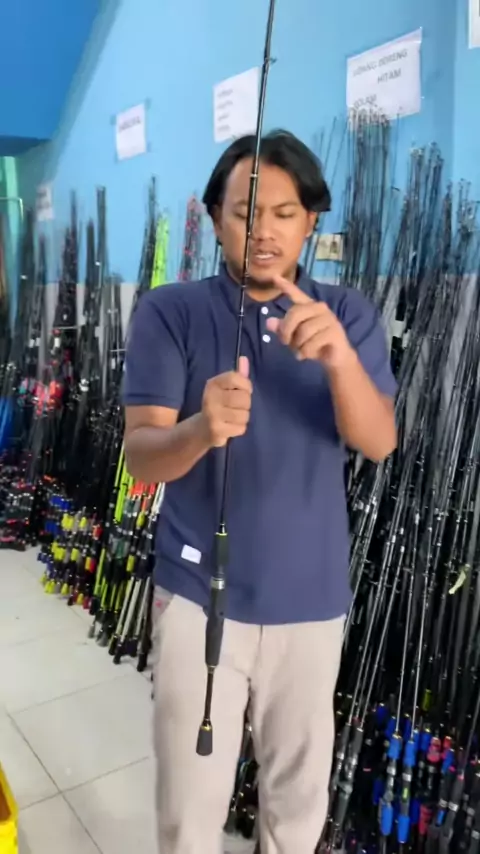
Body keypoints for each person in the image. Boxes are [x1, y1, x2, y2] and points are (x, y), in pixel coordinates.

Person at [122, 129, 397, 854]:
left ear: (311, 221)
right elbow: (142, 457)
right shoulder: (170, 311)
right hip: (198, 598)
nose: (264, 231)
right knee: (189, 811)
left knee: (296, 815)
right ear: (215, 217)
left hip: (313, 604)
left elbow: (379, 442)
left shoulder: (350, 315)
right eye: (246, 212)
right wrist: (200, 429)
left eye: (284, 212)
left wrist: (339, 359)